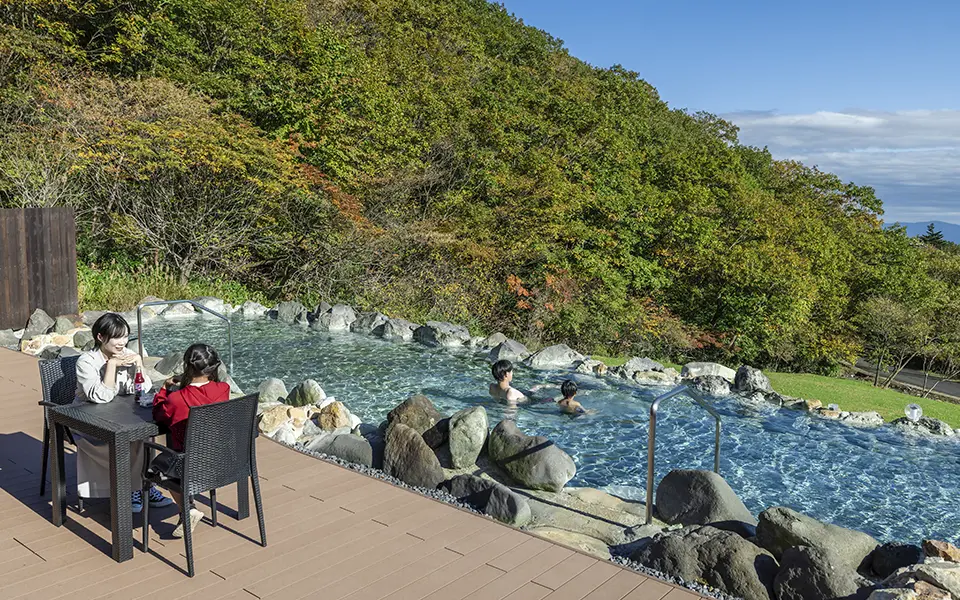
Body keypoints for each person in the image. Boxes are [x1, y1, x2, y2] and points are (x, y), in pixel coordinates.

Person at [74, 312, 174, 513]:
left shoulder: (127, 355)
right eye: (117, 337)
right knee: (134, 439)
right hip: (89, 422)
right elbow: (101, 396)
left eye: (125, 336)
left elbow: (144, 389)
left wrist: (139, 365)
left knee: (143, 434)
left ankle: (143, 486)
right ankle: (135, 488)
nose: (122, 343)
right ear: (100, 337)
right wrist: (111, 365)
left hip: (119, 416)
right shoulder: (87, 362)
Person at [151, 343, 230, 538]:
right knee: (176, 458)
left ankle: (187, 508)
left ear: (187, 365)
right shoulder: (224, 389)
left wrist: (164, 389)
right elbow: (202, 397)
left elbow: (159, 414)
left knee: (155, 466)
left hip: (189, 464)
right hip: (221, 460)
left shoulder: (177, 399)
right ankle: (188, 509)